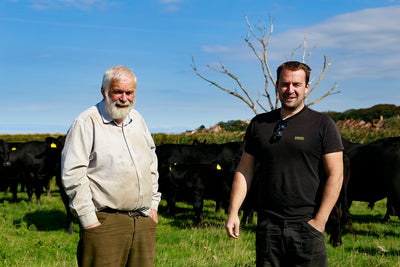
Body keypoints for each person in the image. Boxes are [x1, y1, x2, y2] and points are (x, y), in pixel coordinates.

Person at [225, 61, 343, 266]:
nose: (290, 90)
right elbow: (245, 170)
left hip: (307, 225)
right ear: (277, 86)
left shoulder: (323, 124)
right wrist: (234, 211)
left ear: (307, 87)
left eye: (296, 84)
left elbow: (336, 174)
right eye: (285, 84)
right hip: (268, 227)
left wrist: (319, 221)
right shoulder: (259, 124)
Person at [61, 65, 161, 267]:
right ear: (104, 91)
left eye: (129, 93)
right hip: (105, 222)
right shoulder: (87, 122)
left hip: (142, 222)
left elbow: (151, 163)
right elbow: (72, 173)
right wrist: (89, 219)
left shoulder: (138, 120)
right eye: (118, 92)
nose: (124, 98)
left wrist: (153, 205)